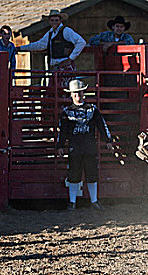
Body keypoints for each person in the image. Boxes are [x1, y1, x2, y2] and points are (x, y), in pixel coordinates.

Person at [57, 79, 114, 211]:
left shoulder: (93, 110)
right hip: (74, 148)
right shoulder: (66, 112)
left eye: (79, 92)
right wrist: (60, 145)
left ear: (84, 93)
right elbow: (63, 130)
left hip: (89, 148)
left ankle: (94, 201)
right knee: (73, 175)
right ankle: (72, 202)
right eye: (75, 93)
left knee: (92, 174)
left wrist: (108, 140)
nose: (78, 95)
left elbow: (101, 125)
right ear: (71, 95)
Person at [17, 10, 86, 86]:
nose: (54, 22)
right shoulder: (50, 33)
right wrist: (21, 48)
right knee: (54, 91)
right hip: (55, 67)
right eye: (52, 20)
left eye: (56, 20)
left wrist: (70, 58)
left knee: (65, 90)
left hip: (65, 67)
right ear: (49, 21)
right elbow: (40, 45)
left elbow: (81, 42)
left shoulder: (66, 31)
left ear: (60, 20)